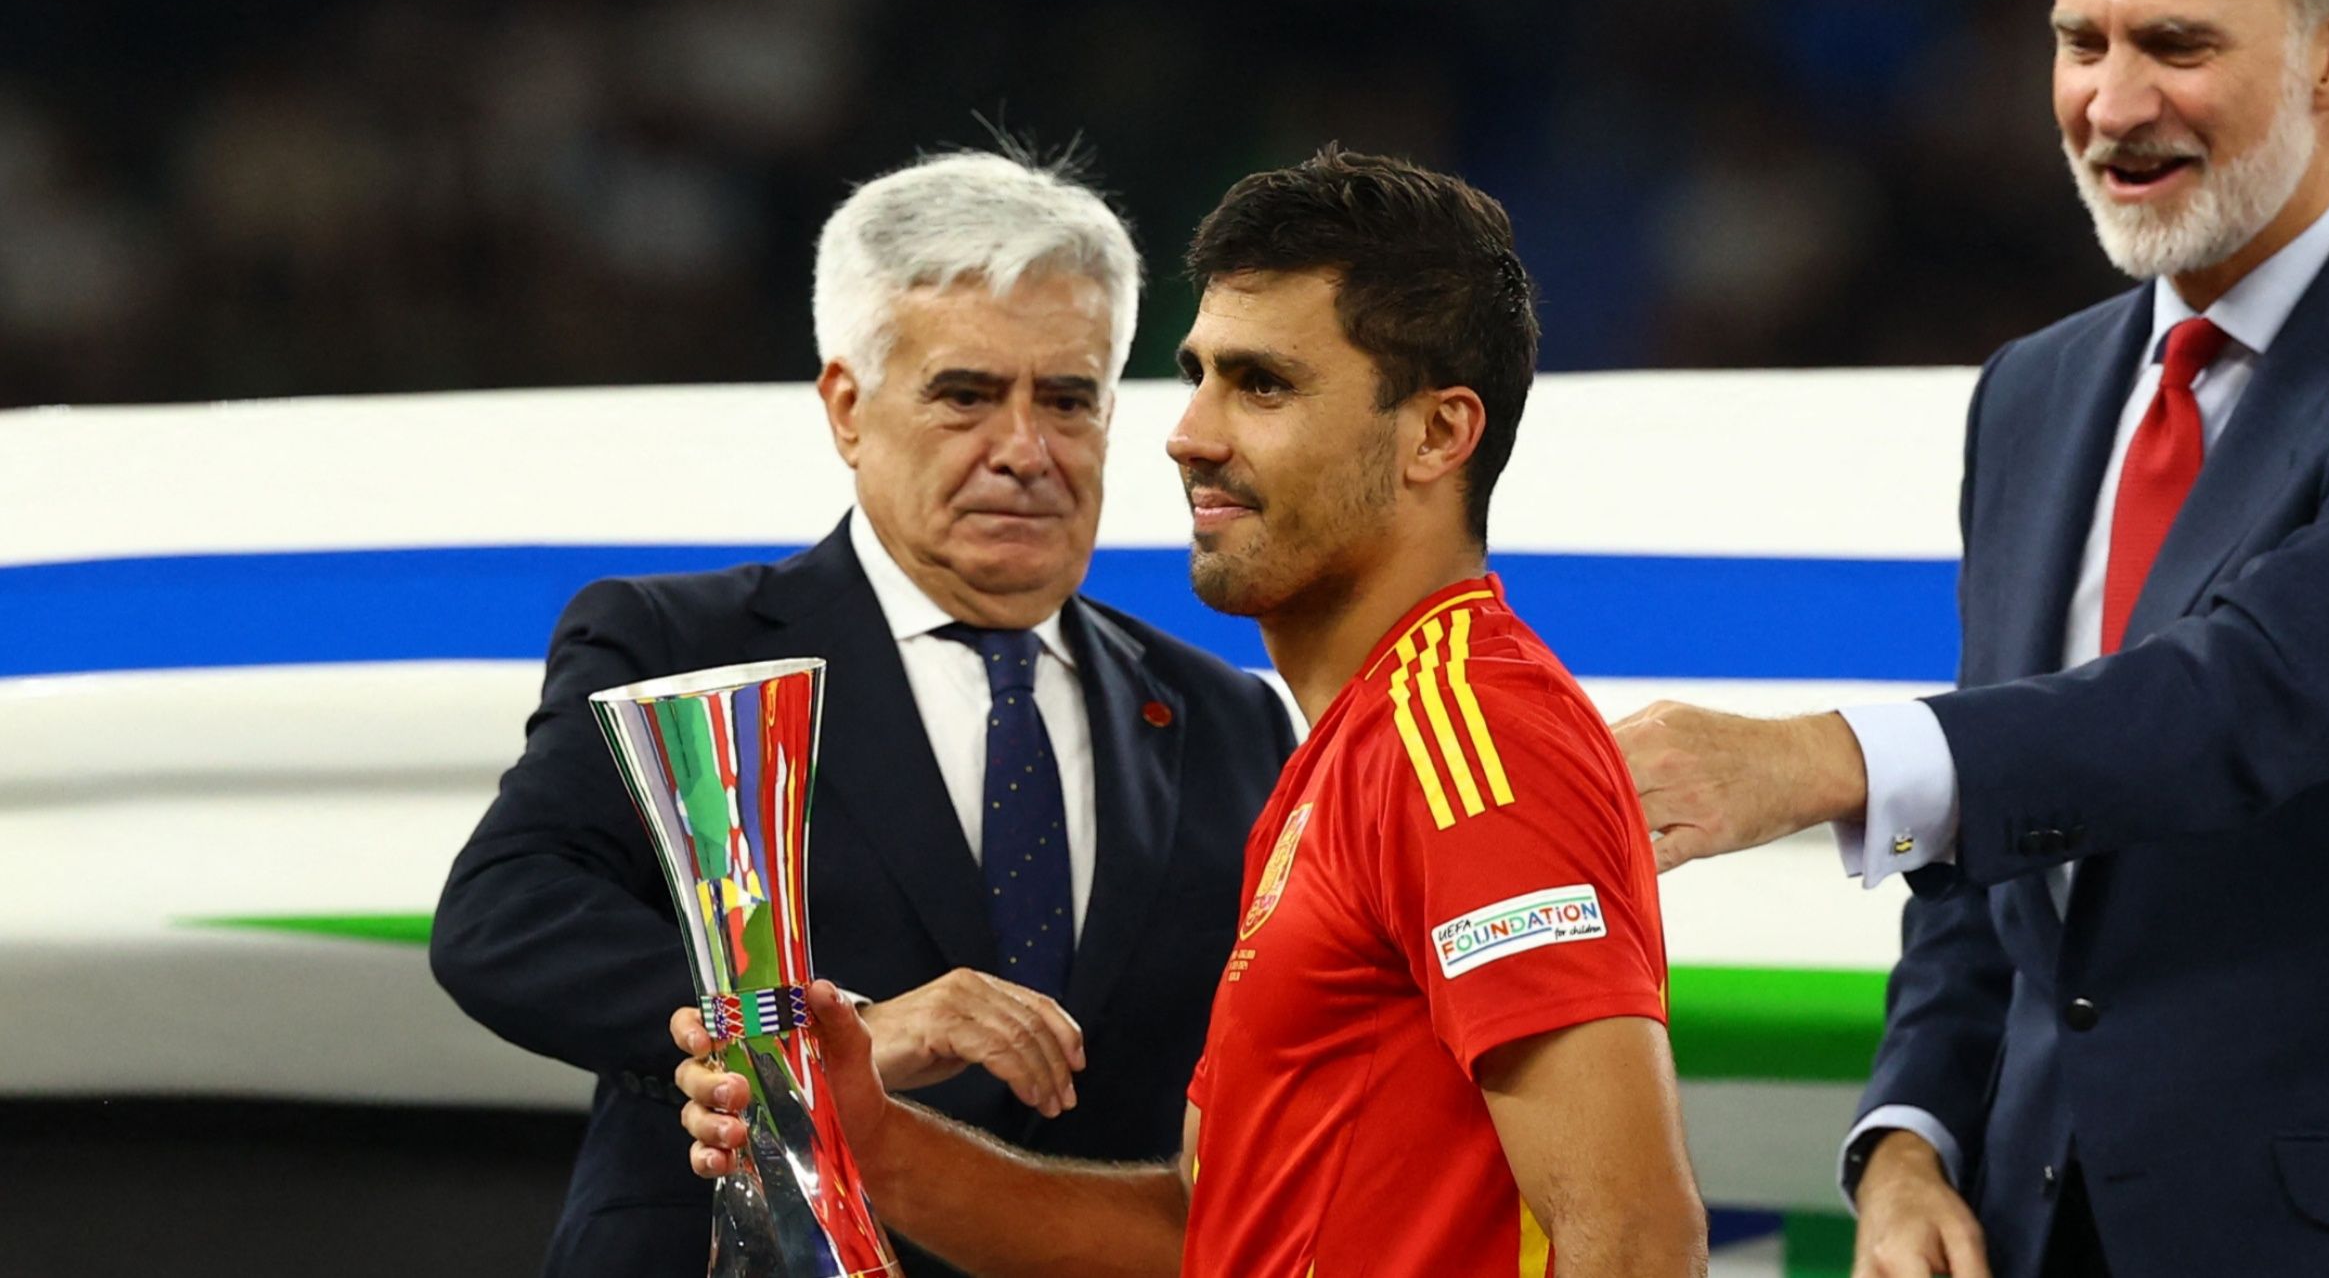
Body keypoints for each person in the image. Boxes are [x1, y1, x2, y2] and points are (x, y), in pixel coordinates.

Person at [1617, 0, 2329, 1277]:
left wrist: (1822, 758)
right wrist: (1912, 1138)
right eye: (2079, 40)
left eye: (2176, 45)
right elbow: (1996, 831)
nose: (2110, 102)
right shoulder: (2035, 398)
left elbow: (2229, 705)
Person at [676, 149, 1708, 1277]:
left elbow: (1636, 1237)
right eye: (1197, 373)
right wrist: (869, 1137)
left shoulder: (1469, 737)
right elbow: (1205, 1232)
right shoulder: (1332, 760)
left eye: (1263, 385)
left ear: (1438, 434)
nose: (1189, 432)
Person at [430, 151, 1298, 1278]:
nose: (1026, 451)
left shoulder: (1231, 721)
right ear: (847, 406)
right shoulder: (680, 649)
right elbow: (505, 915)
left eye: (1070, 399)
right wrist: (829, 1032)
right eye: (966, 395)